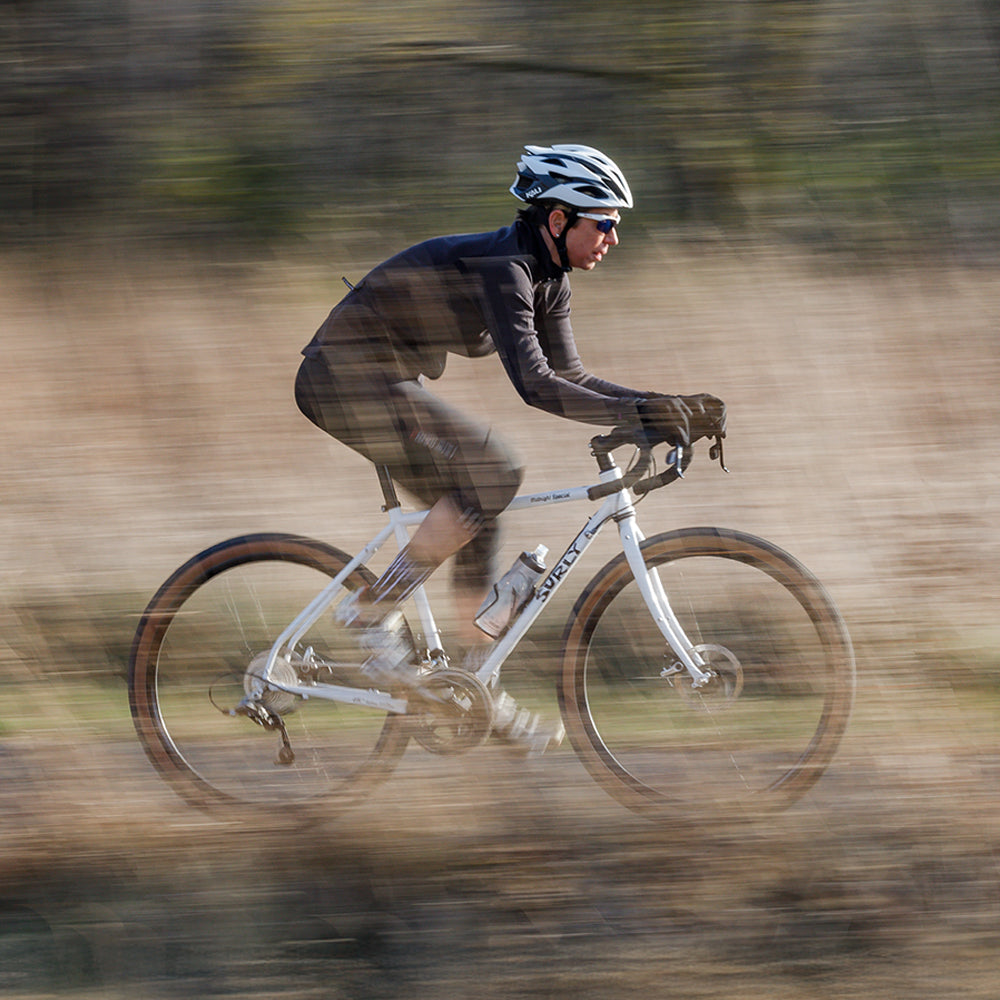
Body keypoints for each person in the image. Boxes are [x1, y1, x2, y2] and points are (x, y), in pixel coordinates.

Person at [295, 143, 725, 753]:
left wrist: (659, 404)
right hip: (342, 379)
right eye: (604, 223)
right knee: (497, 468)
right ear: (558, 221)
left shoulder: (550, 278)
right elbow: (536, 386)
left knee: (480, 507)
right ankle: (371, 612)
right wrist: (640, 414)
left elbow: (570, 374)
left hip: (379, 382)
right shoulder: (508, 266)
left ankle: (469, 684)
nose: (614, 237)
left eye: (616, 226)